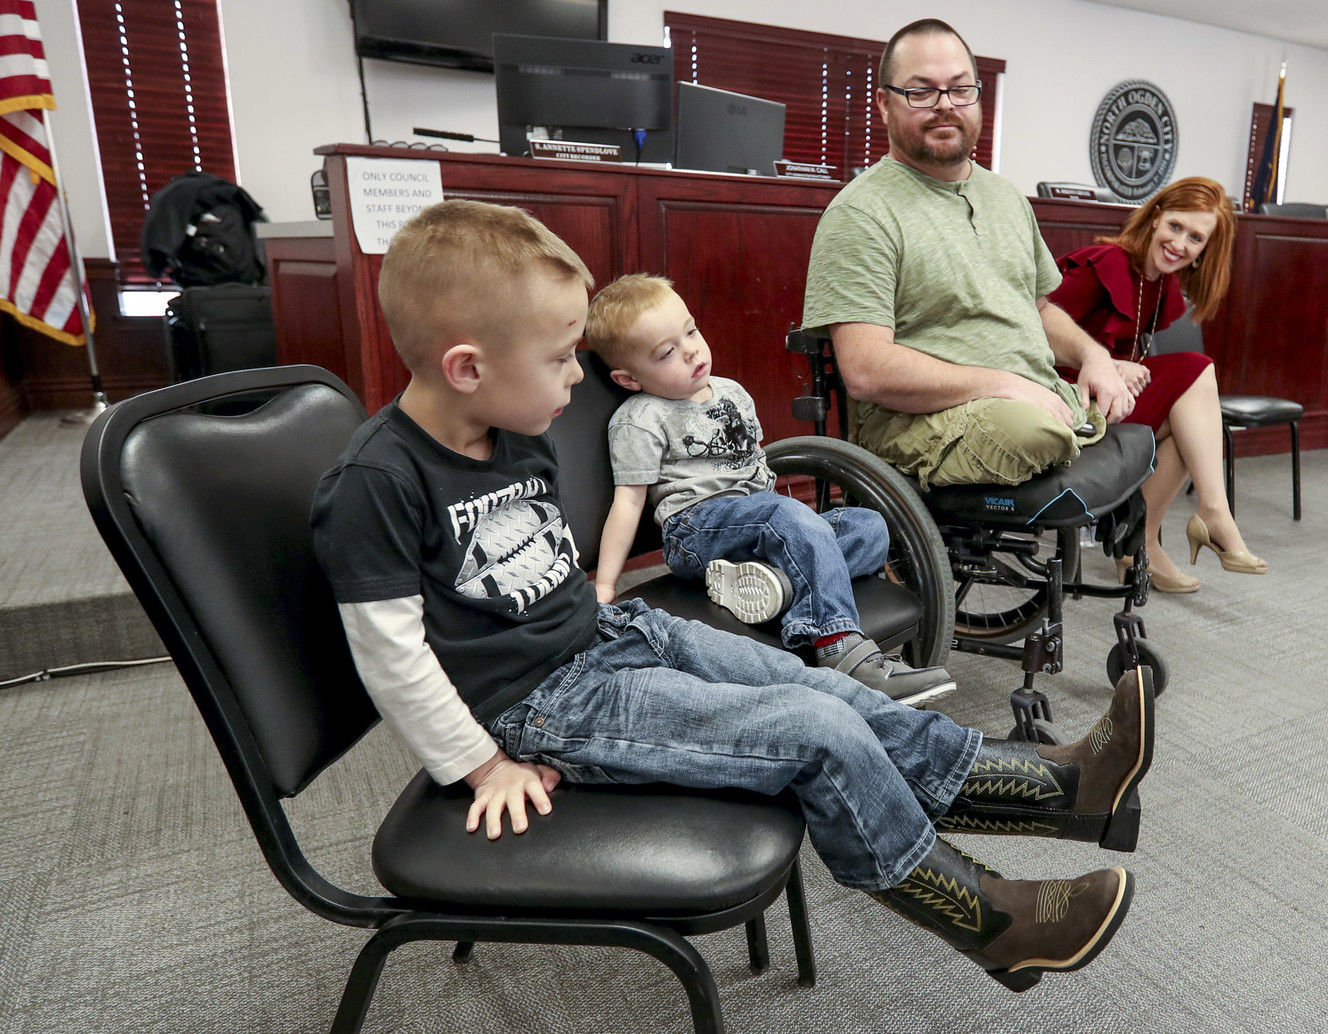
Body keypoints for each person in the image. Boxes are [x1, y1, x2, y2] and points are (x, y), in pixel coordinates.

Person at [310, 198, 1155, 992]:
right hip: (536, 709)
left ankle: (1061, 792)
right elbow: (391, 658)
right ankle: (985, 918)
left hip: (608, 638)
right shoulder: (377, 483)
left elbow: (539, 573)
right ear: (468, 367)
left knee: (826, 687)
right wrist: (479, 764)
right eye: (562, 358)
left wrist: (599, 608)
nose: (576, 380)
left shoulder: (509, 431)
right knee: (815, 732)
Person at [584, 273, 955, 706]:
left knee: (868, 525)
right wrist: (605, 586)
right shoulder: (640, 417)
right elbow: (628, 502)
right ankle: (839, 646)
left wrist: (791, 520)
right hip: (697, 528)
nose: (690, 351)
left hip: (760, 523)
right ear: (630, 379)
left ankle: (775, 584)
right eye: (667, 352)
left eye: (691, 331)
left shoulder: (732, 392)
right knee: (785, 517)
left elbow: (757, 466)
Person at [802, 18, 1139, 493]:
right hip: (922, 420)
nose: (945, 105)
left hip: (1027, 397)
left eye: (960, 89)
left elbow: (1038, 309)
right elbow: (865, 370)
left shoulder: (1006, 197)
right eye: (921, 92)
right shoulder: (860, 214)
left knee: (1123, 414)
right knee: (1036, 432)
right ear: (883, 103)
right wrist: (1004, 384)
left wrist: (1093, 355)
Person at [1049, 177, 1266, 591]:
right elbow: (1032, 329)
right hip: (1060, 396)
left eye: (1195, 238)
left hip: (1104, 399)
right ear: (1156, 218)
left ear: (1206, 250)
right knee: (1195, 372)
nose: (1180, 244)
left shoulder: (1159, 282)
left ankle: (1142, 544)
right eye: (1176, 227)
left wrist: (1115, 370)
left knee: (1190, 425)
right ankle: (1211, 514)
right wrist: (1109, 363)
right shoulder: (1106, 264)